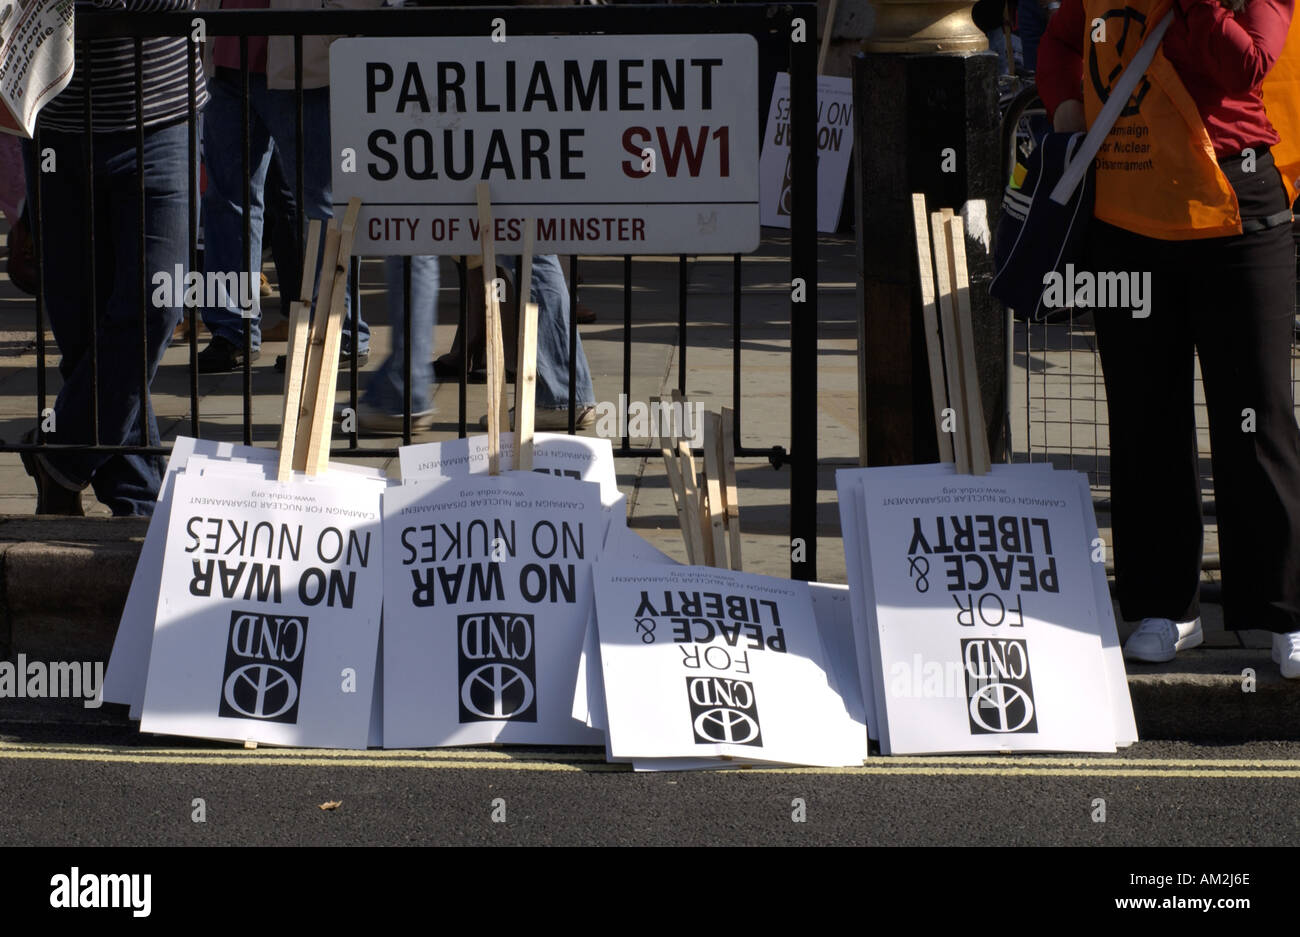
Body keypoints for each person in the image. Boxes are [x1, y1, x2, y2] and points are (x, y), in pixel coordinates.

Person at [1038, 0, 1300, 677]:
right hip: (1126, 220)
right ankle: (1165, 607)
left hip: (1237, 214)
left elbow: (1247, 64)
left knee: (1257, 418)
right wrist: (1067, 104)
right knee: (1145, 419)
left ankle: (1282, 612)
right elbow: (1062, 39)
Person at [19, 0, 208, 516]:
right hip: (53, 120)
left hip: (159, 115)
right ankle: (136, 502)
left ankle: (61, 459)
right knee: (83, 332)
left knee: (156, 303)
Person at [195, 0, 382, 373]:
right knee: (227, 201)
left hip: (302, 59)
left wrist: (330, 25)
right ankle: (233, 331)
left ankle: (340, 332)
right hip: (227, 58)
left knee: (322, 203)